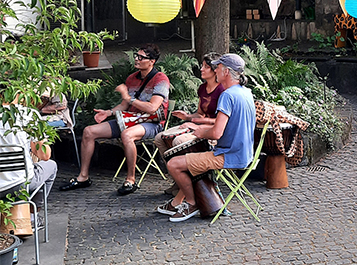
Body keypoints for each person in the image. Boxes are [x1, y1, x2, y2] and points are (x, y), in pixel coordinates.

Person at [59, 43, 170, 195]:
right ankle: (83, 177)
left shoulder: (160, 79)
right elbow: (124, 105)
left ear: (152, 61)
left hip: (151, 123)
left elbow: (152, 108)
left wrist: (128, 97)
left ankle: (130, 180)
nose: (136, 59)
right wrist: (108, 112)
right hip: (129, 119)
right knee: (89, 131)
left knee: (127, 134)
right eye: (136, 56)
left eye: (141, 57)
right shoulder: (132, 78)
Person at [158, 53, 256, 223]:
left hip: (228, 156)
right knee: (191, 160)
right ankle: (177, 202)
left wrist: (200, 132)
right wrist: (202, 126)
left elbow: (216, 133)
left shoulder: (227, 96)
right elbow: (227, 126)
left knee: (173, 164)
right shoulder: (245, 92)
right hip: (245, 154)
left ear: (225, 71)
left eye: (217, 67)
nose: (215, 70)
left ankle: (191, 203)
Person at [153, 53, 224, 163]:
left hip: (215, 132)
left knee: (179, 140)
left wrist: (195, 125)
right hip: (202, 126)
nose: (201, 69)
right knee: (159, 138)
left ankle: (192, 175)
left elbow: (221, 122)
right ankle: (176, 174)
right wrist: (187, 116)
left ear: (215, 70)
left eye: (206, 67)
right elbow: (200, 114)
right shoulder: (202, 88)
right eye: (202, 66)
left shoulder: (222, 90)